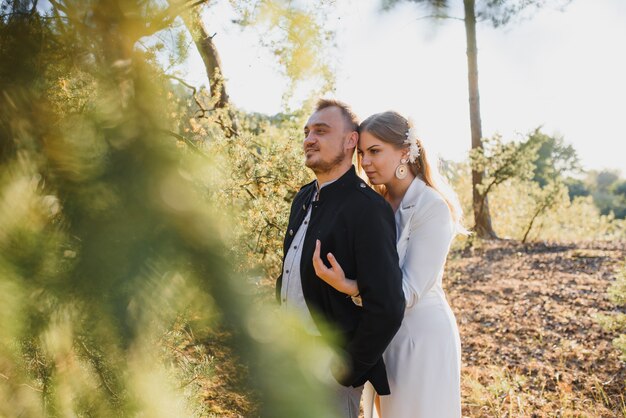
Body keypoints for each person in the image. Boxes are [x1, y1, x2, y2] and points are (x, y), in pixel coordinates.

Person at [312, 111, 463, 418]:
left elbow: (406, 292)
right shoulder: (374, 204)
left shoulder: (432, 207)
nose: (365, 162)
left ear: (405, 152)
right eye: (362, 153)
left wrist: (349, 286)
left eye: (375, 151)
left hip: (420, 338)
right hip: (381, 335)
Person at [276, 100, 406, 418]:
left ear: (351, 141)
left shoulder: (368, 209)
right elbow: (288, 273)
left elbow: (388, 306)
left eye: (321, 131)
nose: (309, 139)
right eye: (307, 131)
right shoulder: (304, 196)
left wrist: (344, 371)